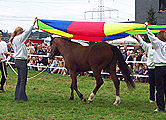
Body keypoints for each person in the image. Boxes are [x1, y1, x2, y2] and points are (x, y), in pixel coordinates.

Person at [9, 19, 37, 101]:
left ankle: (18, 96)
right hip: (21, 61)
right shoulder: (18, 38)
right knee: (22, 80)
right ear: (19, 32)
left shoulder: (14, 39)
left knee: (20, 80)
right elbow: (26, 33)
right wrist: (33, 24)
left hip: (18, 60)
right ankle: (21, 97)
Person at [145, 22, 166, 112]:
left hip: (159, 68)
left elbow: (152, 38)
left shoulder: (158, 43)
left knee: (160, 88)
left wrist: (147, 29)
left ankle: (161, 107)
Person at [131, 35, 155, 103]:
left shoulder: (159, 48)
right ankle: (152, 98)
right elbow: (142, 43)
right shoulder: (149, 47)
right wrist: (136, 38)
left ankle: (161, 98)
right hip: (151, 68)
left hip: (158, 67)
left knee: (160, 84)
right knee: (152, 84)